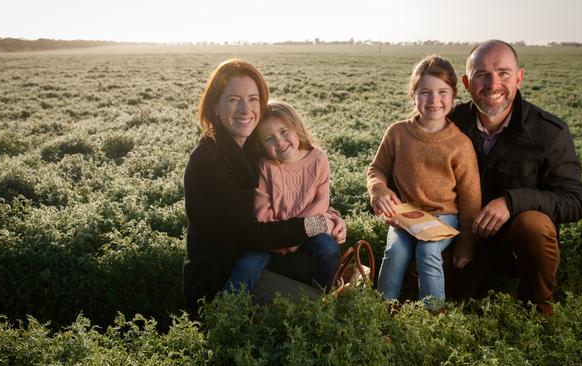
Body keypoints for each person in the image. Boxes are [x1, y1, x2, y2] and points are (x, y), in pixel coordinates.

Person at [182, 59, 346, 316]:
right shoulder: (208, 163)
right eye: (234, 99)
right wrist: (317, 224)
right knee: (322, 311)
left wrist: (331, 217)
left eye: (253, 98)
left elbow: (293, 193)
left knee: (328, 263)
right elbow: (250, 234)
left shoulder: (248, 147)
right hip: (224, 275)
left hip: (264, 256)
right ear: (215, 106)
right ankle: (221, 319)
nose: (245, 109)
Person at [449, 40, 582, 315]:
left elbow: (576, 202)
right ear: (466, 82)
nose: (493, 84)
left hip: (516, 246)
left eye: (503, 73)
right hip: (462, 238)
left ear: (519, 78)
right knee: (428, 281)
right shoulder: (451, 122)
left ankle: (538, 306)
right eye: (482, 75)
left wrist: (512, 202)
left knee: (534, 223)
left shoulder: (548, 132)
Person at [366, 55, 481, 309]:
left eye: (442, 92)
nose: (434, 100)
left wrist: (465, 242)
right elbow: (377, 169)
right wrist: (378, 189)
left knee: (428, 251)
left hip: (444, 216)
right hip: (407, 215)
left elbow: (471, 198)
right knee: (395, 252)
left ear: (453, 96)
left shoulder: (460, 144)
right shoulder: (397, 133)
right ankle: (383, 312)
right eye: (425, 92)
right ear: (413, 95)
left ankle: (433, 317)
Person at [225, 101, 341, 293]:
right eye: (269, 138)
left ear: (296, 127)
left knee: (328, 249)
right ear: (261, 145)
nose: (279, 141)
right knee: (248, 264)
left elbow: (321, 202)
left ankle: (324, 295)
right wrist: (288, 240)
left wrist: (296, 237)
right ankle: (228, 309)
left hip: (308, 232)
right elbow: (262, 215)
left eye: (284, 131)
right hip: (271, 236)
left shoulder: (318, 159)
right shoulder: (266, 166)